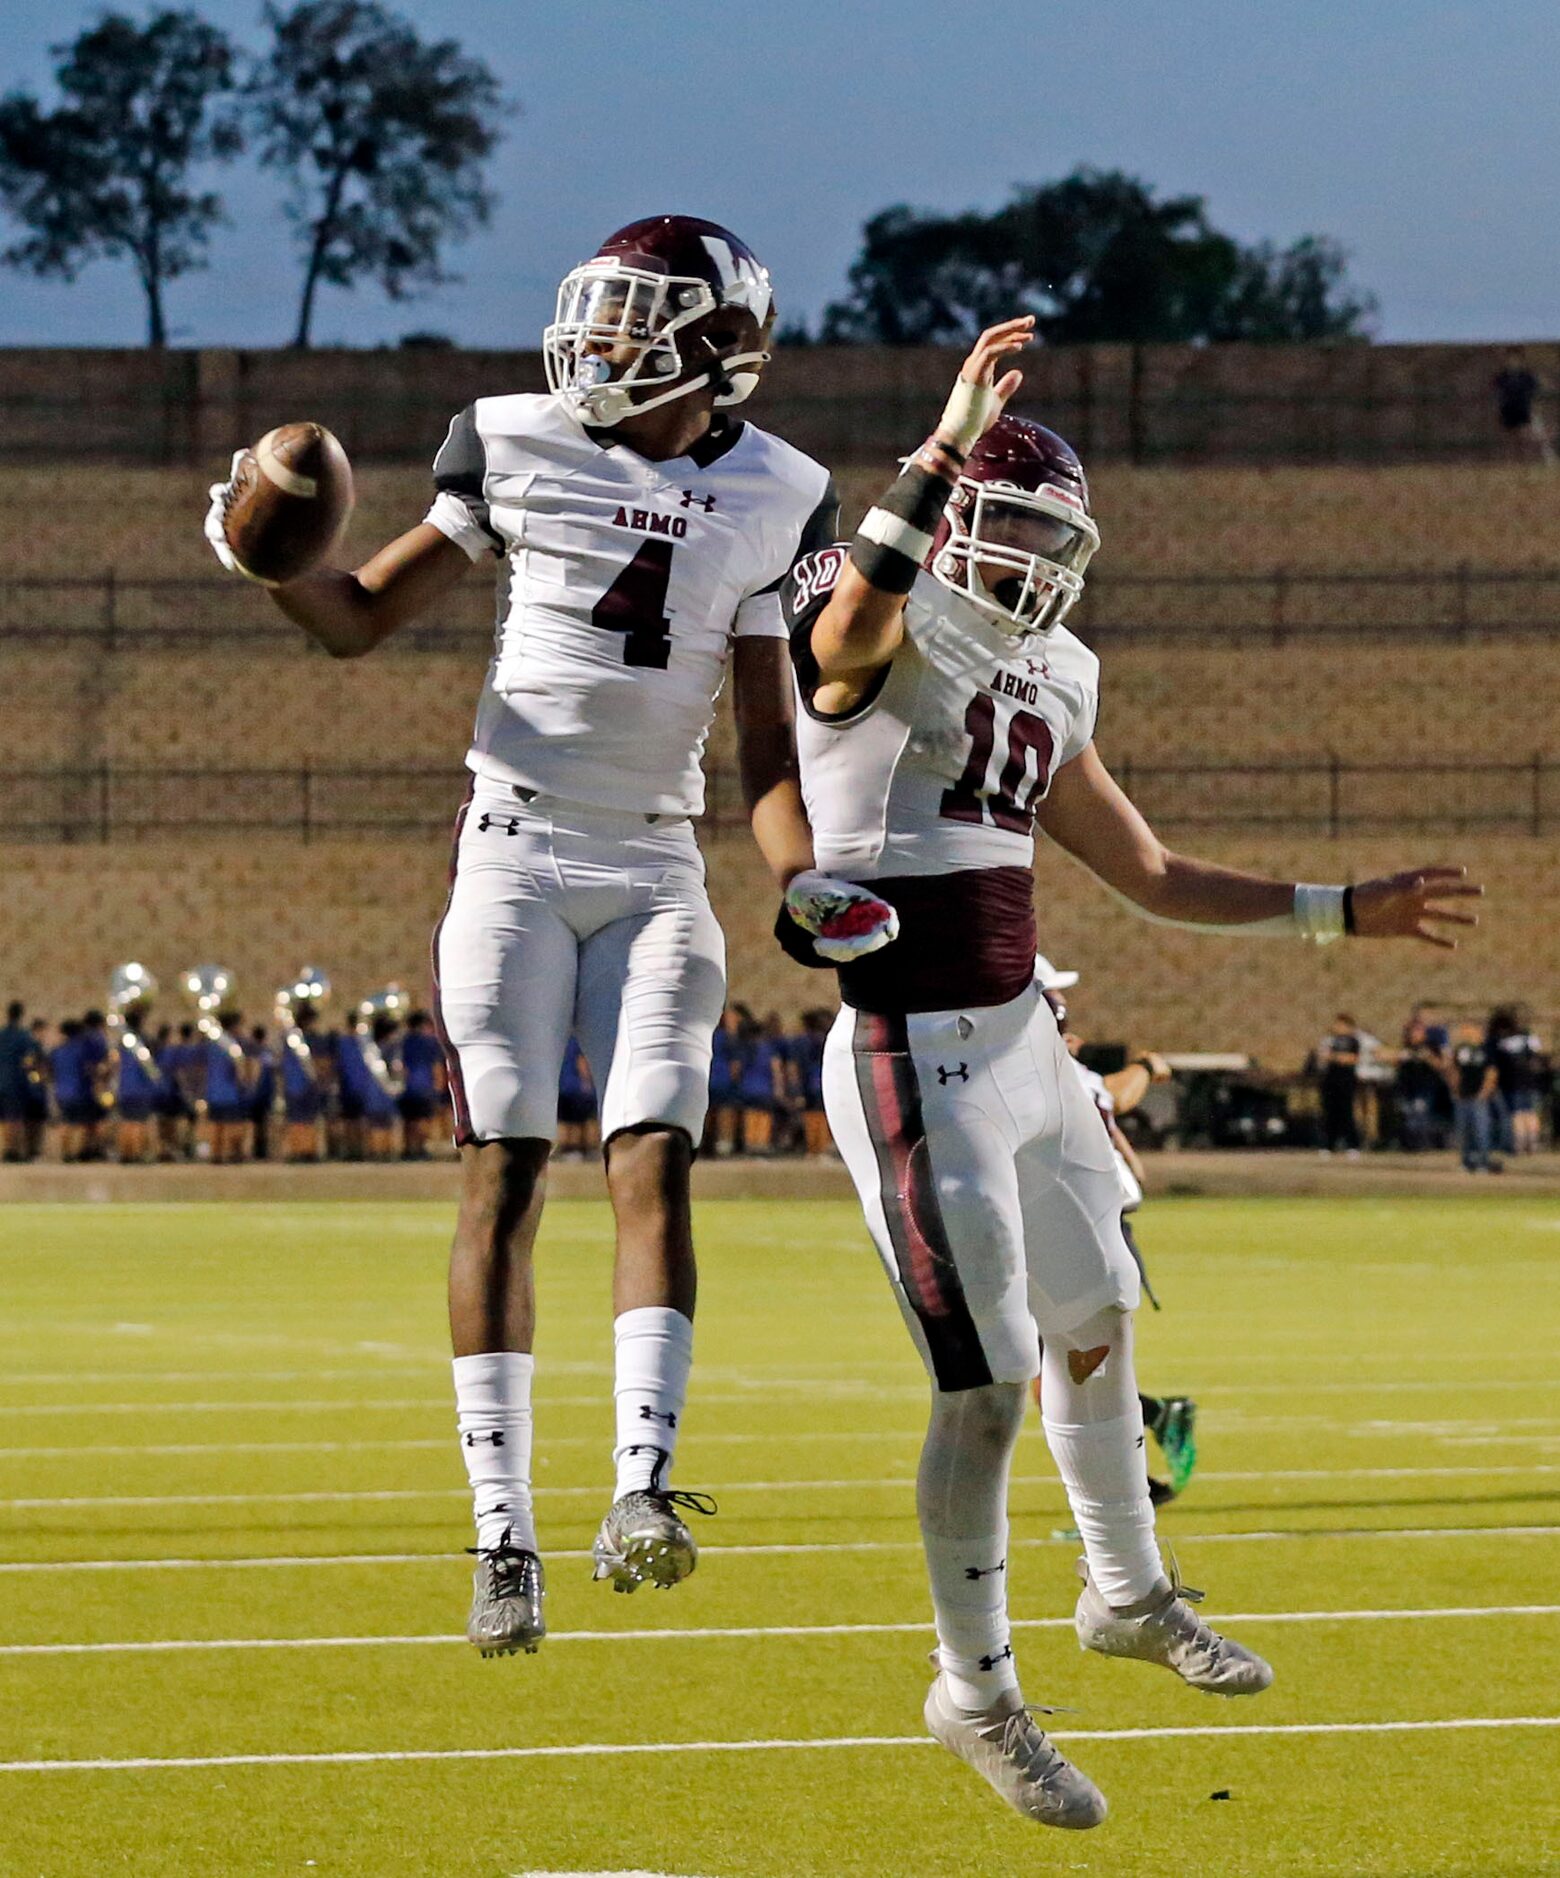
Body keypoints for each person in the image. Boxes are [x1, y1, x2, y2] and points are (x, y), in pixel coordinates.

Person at [777, 315, 1481, 1830]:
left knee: (1093, 1325)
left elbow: (1147, 868)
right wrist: (943, 439)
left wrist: (1328, 911)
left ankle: (1127, 1591)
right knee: (977, 1396)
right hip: (915, 1053)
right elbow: (840, 644)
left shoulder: (1053, 664)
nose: (1034, 558)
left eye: (1054, 534)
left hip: (1028, 1037)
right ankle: (974, 1692)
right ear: (953, 515)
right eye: (1009, 523)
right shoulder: (872, 616)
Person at [204, 214, 888, 1657]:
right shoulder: (509, 440)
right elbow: (360, 616)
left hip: (651, 863)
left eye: (643, 317)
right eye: (604, 310)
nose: (602, 339)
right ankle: (502, 1537)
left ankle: (642, 1486)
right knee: (504, 1169)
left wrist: (805, 879)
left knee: (652, 1156)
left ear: (721, 348)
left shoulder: (782, 492)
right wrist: (265, 560)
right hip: (510, 850)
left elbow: (767, 749)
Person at [1487, 1005, 1546, 1156]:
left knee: (1517, 1114)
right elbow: (1539, 1056)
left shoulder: (1500, 1041)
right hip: (1531, 1082)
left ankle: (1519, 1145)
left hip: (1512, 1083)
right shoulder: (1528, 1037)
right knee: (1531, 1113)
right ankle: (1532, 1144)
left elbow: (1496, 1063)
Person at [112, 1007, 163, 1164]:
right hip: (141, 1088)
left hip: (124, 1088)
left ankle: (125, 1154)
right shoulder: (146, 1041)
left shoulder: (121, 1042)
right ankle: (137, 1154)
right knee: (139, 1123)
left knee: (125, 1122)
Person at [1451, 1019, 1500, 1173]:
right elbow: (1455, 1071)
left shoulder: (1486, 1049)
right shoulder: (1461, 1049)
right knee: (1464, 1131)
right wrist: (1456, 1090)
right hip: (1463, 1096)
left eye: (1468, 1029)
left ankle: (1483, 1162)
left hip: (1478, 1096)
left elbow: (1491, 1073)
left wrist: (1484, 1092)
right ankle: (1466, 1161)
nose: (1464, 1033)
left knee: (1481, 1131)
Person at [203, 1012, 253, 1163]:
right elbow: (240, 1069)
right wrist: (245, 1083)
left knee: (216, 1125)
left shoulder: (212, 1043)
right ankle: (232, 1153)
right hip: (229, 1092)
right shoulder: (232, 1046)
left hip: (213, 1091)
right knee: (233, 1125)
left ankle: (216, 1154)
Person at [280, 1006, 328, 1162]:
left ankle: (296, 1150)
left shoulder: (288, 1038)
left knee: (295, 1119)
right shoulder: (311, 1039)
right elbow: (319, 1062)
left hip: (292, 1085)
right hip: (307, 1085)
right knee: (307, 1120)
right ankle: (307, 1150)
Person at [1492, 348, 1553, 465]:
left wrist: (1535, 406)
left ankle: (1526, 462)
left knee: (1524, 438)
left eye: (1516, 359)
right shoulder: (1502, 377)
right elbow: (1496, 393)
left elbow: (1537, 390)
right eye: (1510, 359)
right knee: (1510, 440)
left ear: (1521, 361)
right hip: (1507, 411)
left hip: (1523, 410)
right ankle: (1511, 464)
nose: (1513, 362)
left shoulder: (1527, 377)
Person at [398, 1010, 446, 1160]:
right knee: (424, 1120)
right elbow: (436, 1066)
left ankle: (408, 1149)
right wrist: (439, 1085)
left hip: (407, 1087)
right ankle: (420, 1148)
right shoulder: (430, 1042)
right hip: (425, 1085)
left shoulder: (403, 1041)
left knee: (409, 1120)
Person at [1315, 1013, 1363, 1155]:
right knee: (1330, 1113)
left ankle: (1352, 1145)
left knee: (1346, 1112)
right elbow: (1322, 1057)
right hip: (1330, 1080)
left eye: (1341, 1025)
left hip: (1346, 1080)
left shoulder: (1353, 1041)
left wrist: (1334, 1057)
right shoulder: (1329, 1041)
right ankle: (1329, 1145)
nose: (1337, 1028)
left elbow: (1352, 1058)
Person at [49, 1020, 96, 1163]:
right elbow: (88, 1070)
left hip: (61, 1092)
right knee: (81, 1124)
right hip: (79, 1091)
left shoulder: (57, 1051)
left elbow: (50, 1070)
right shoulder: (81, 1050)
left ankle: (66, 1153)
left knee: (65, 1122)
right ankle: (79, 1152)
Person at [705, 1003, 748, 1156]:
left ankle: (706, 1143)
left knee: (708, 1113)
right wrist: (735, 1079)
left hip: (708, 1078)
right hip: (723, 1080)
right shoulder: (729, 1038)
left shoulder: (708, 1035)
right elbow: (735, 1063)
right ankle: (723, 1143)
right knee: (725, 1113)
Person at [0, 1000, 39, 1163]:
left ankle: (8, 1148)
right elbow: (30, 1061)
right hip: (15, 1082)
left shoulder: (2, 1035)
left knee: (5, 1118)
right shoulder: (23, 1036)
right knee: (14, 1118)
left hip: (1, 1080)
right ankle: (11, 1151)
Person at [554, 1034, 596, 1158]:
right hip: (574, 1087)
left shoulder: (561, 1039)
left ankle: (571, 1150)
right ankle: (577, 1150)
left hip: (564, 1086)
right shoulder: (577, 1040)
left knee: (568, 1121)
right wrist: (587, 1081)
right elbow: (582, 1061)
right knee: (578, 1122)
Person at [246, 1026, 277, 1163]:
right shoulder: (267, 1052)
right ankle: (263, 1150)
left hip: (254, 1094)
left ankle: (256, 1149)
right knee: (264, 1123)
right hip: (265, 1092)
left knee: (255, 1123)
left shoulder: (251, 1052)